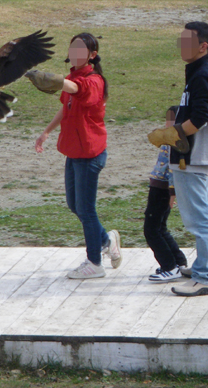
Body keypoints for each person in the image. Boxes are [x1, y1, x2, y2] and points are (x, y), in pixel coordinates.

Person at [27, 33, 121, 279]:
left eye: (82, 48)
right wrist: (46, 132)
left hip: (89, 155)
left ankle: (94, 263)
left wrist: (56, 80)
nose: (76, 50)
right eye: (74, 47)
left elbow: (78, 89)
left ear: (92, 55)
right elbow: (66, 104)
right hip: (74, 152)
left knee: (86, 209)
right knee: (74, 205)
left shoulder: (94, 80)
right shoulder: (72, 77)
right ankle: (107, 239)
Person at [148, 21, 208, 297]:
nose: (182, 45)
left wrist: (172, 134)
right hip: (193, 156)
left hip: (191, 157)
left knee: (198, 218)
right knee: (205, 212)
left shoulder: (203, 74)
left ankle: (204, 277)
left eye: (187, 41)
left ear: (203, 46)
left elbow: (201, 118)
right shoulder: (200, 72)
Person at [145, 106, 189, 283]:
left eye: (170, 122)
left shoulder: (174, 142)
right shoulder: (169, 140)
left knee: (151, 230)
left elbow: (173, 169)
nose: (167, 126)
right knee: (160, 227)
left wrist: (172, 194)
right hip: (160, 186)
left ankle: (169, 267)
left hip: (161, 189)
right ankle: (179, 262)